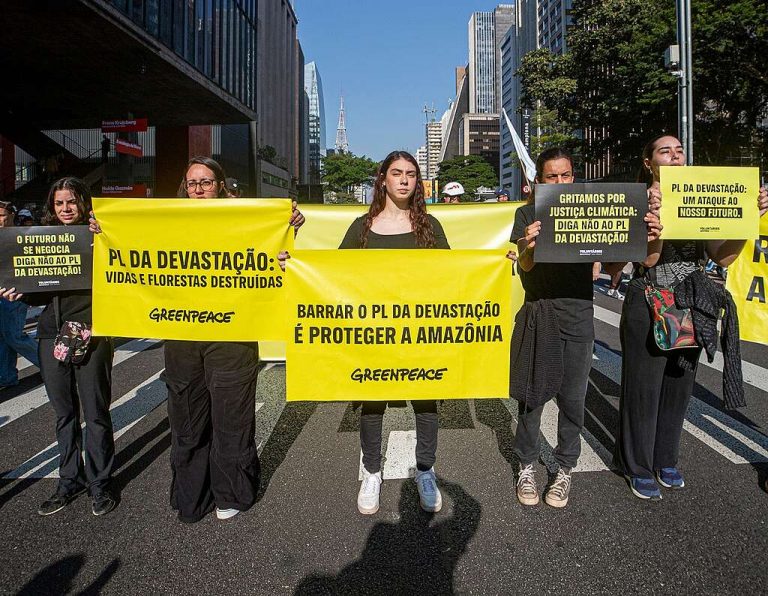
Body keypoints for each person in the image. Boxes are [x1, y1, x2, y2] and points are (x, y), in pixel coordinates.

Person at [613, 134, 768, 500]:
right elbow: (647, 261)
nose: (675, 156)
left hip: (693, 303)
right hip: (649, 299)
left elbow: (723, 256)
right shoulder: (638, 201)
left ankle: (666, 458)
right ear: (649, 162)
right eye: (665, 151)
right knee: (643, 389)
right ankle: (636, 465)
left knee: (679, 385)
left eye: (679, 151)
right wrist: (655, 224)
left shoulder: (698, 198)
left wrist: (747, 220)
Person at [510, 148, 662, 508]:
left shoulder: (590, 210)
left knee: (573, 399)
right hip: (539, 313)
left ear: (574, 178)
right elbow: (525, 266)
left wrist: (646, 236)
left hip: (579, 314)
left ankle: (564, 469)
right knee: (531, 397)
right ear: (539, 181)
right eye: (552, 177)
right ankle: (527, 464)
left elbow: (614, 265)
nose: (560, 182)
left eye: (566, 176)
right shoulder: (527, 214)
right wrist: (528, 245)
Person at [161, 157, 302, 522]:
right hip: (182, 336)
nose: (199, 190)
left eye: (206, 182)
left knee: (231, 420)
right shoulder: (164, 222)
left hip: (233, 335)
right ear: (184, 188)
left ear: (220, 185)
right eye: (192, 183)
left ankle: (232, 492)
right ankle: (192, 493)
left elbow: (273, 253)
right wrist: (104, 231)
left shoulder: (245, 219)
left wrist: (287, 231)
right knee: (187, 421)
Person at [339, 150, 450, 515]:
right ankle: (372, 470)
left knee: (426, 400)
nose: (404, 179)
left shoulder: (430, 226)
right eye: (397, 173)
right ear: (383, 179)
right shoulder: (361, 227)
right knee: (372, 403)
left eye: (412, 174)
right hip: (374, 333)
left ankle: (425, 470)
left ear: (418, 182)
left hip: (421, 331)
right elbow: (333, 275)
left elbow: (454, 274)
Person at [2, 178, 117, 516]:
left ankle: (100, 483)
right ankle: (69, 480)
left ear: (83, 202)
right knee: (64, 414)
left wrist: (104, 240)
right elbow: (39, 289)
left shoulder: (101, 235)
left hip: (91, 334)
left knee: (96, 413)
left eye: (72, 202)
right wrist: (18, 290)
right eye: (59, 204)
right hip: (51, 335)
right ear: (52, 208)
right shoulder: (41, 240)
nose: (66, 209)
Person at [0, 201, 40, 389]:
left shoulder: (21, 236)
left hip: (16, 293)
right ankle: (7, 376)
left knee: (14, 336)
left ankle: (51, 366)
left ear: (11, 216)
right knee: (3, 336)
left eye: (2, 215)